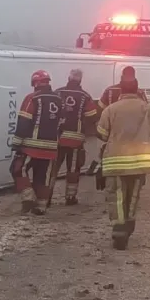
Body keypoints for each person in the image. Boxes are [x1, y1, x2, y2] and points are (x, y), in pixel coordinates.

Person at [96, 72, 150, 250]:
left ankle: (119, 229)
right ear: (137, 89)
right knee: (134, 195)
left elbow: (101, 133)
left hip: (115, 161)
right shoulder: (148, 107)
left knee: (117, 195)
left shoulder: (111, 109)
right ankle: (129, 225)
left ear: (121, 89)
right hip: (140, 161)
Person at [10, 70, 63, 215]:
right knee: (42, 177)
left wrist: (16, 143)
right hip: (51, 148)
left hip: (31, 146)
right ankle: (41, 207)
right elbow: (62, 123)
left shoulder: (32, 98)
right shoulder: (59, 100)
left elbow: (24, 122)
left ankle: (28, 198)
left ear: (35, 83)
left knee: (17, 169)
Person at [87, 66, 149, 178]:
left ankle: (100, 167)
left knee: (108, 156)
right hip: (133, 136)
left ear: (121, 76)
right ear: (134, 78)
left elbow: (100, 109)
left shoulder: (109, 91)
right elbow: (146, 112)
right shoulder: (140, 93)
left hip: (113, 134)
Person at [49, 69, 98, 206]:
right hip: (76, 140)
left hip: (57, 139)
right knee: (73, 169)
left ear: (68, 78)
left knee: (53, 169)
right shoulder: (86, 97)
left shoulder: (57, 93)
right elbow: (93, 116)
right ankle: (70, 198)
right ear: (80, 80)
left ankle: (46, 197)